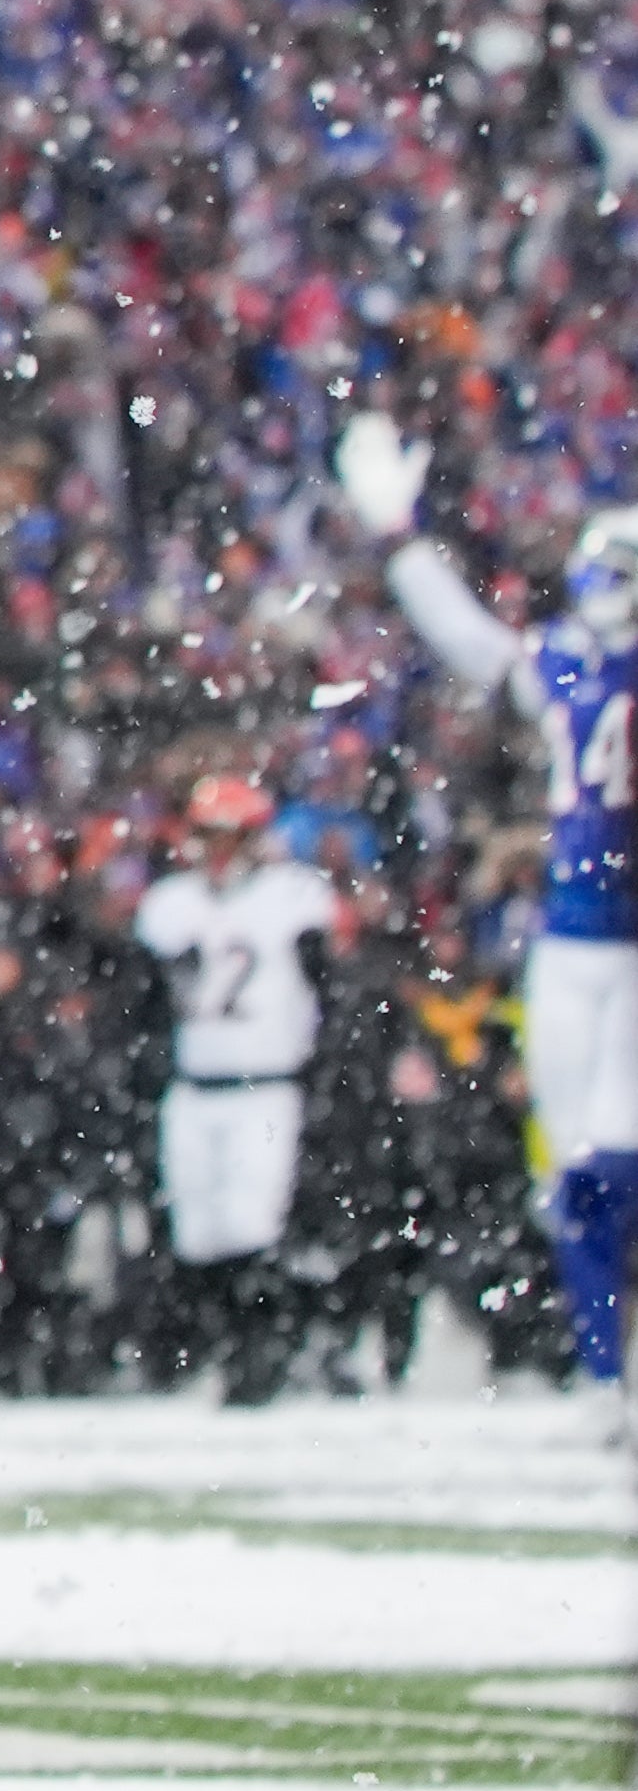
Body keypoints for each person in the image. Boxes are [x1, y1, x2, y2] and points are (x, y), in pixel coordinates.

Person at [328, 419, 636, 1429]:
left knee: (614, 1157)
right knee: (576, 1167)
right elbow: (468, 642)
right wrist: (398, 536)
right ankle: (600, 1370)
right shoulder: (564, 663)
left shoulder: (582, 664)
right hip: (568, 938)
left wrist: (402, 538)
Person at [134, 777, 341, 1406]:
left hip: (266, 1083)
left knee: (254, 1223)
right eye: (212, 836)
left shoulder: (291, 897)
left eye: (234, 836)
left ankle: (262, 1360)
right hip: (195, 1085)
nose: (222, 851)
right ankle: (227, 1353)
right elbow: (144, 996)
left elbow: (329, 983)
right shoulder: (172, 904)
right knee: (199, 1231)